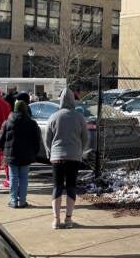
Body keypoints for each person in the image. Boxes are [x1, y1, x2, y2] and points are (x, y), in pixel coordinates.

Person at [45, 88, 88, 229]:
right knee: (71, 186)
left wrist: (50, 152)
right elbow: (85, 138)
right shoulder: (79, 117)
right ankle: (68, 219)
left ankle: (56, 219)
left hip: (57, 157)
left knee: (57, 187)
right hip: (74, 157)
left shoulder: (54, 116)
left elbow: (47, 139)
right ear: (73, 100)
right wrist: (80, 151)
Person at [0, 100, 41, 208]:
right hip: (26, 155)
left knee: (13, 177)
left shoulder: (7, 122)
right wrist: (34, 152)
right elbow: (37, 140)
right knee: (24, 178)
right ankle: (22, 201)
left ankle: (13, 201)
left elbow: (0, 140)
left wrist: (3, 150)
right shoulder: (32, 123)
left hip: (11, 154)